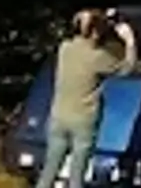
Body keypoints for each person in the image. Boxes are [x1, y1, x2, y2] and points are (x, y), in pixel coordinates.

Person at [36, 10, 129, 188]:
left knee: (49, 170)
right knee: (77, 175)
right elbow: (126, 67)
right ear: (96, 32)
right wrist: (128, 40)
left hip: (59, 115)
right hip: (83, 120)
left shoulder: (65, 48)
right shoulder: (99, 58)